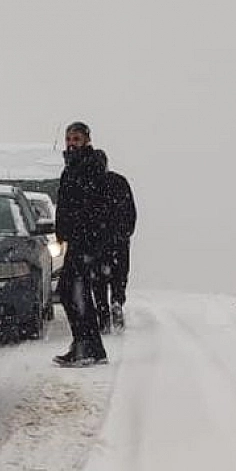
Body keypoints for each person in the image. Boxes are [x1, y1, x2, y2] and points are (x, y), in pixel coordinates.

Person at [53, 121, 115, 367]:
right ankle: (90, 346)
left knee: (73, 293)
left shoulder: (91, 167)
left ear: (87, 140)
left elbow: (97, 208)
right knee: (73, 293)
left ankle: (85, 346)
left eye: (76, 139)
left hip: (87, 242)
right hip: (76, 241)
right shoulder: (72, 167)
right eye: (69, 139)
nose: (71, 143)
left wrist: (95, 243)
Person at [93, 152, 137, 332]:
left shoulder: (90, 185)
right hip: (118, 240)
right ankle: (117, 301)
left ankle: (103, 315)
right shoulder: (119, 182)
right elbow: (130, 210)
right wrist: (125, 232)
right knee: (119, 274)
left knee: (98, 279)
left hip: (98, 241)